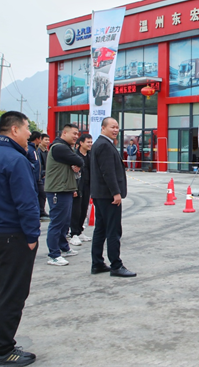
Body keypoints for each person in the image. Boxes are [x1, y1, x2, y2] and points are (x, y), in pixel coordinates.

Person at [0, 111, 39, 366]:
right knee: (12, 293)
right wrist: (32, 234)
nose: (28, 134)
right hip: (13, 234)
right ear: (14, 130)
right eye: (26, 128)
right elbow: (27, 201)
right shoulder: (16, 158)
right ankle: (4, 350)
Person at [91, 117, 135, 277]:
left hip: (100, 194)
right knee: (113, 231)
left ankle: (97, 263)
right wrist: (116, 193)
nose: (115, 130)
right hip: (107, 195)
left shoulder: (102, 144)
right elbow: (107, 172)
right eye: (112, 127)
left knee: (101, 229)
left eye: (117, 127)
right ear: (103, 128)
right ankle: (116, 265)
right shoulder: (104, 145)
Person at [44, 124, 83, 266]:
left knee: (64, 222)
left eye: (77, 134)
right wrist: (76, 162)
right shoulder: (59, 148)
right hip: (57, 190)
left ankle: (63, 247)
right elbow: (79, 160)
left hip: (65, 188)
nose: (76, 136)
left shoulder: (65, 148)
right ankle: (53, 254)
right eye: (73, 133)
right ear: (64, 133)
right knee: (57, 222)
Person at [69, 134, 93, 246]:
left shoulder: (90, 155)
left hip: (87, 185)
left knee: (84, 209)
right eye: (88, 142)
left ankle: (80, 231)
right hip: (77, 186)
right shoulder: (74, 155)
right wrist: (73, 188)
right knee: (76, 210)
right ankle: (73, 233)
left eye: (91, 142)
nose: (90, 144)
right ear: (81, 143)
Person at [27, 132, 47, 221]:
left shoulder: (35, 149)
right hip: (33, 177)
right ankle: (38, 213)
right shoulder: (30, 149)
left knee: (42, 194)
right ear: (37, 139)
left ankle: (41, 212)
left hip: (38, 177)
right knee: (37, 195)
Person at [38, 134, 50, 221]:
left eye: (48, 140)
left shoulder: (46, 151)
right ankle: (40, 212)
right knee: (42, 193)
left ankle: (42, 211)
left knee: (43, 194)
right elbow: (40, 164)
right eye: (46, 140)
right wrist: (43, 173)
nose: (47, 142)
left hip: (45, 174)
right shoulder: (39, 151)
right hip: (41, 175)